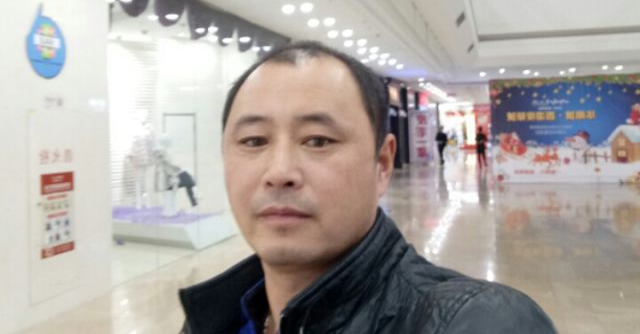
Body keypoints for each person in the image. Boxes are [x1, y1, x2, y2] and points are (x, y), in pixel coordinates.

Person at [178, 41, 556, 333]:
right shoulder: (214, 317)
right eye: (254, 141)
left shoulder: (474, 320)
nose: (279, 172)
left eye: (318, 140)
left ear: (382, 164)